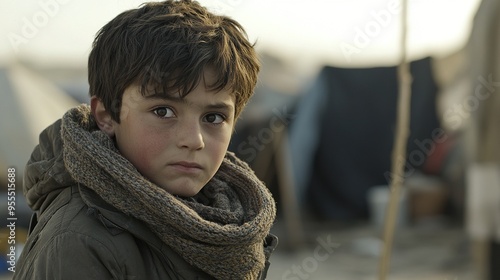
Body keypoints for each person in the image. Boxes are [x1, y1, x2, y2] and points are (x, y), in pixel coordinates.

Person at [13, 1, 277, 279]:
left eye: (213, 118)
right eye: (163, 111)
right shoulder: (80, 241)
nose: (194, 140)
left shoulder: (231, 221)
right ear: (106, 115)